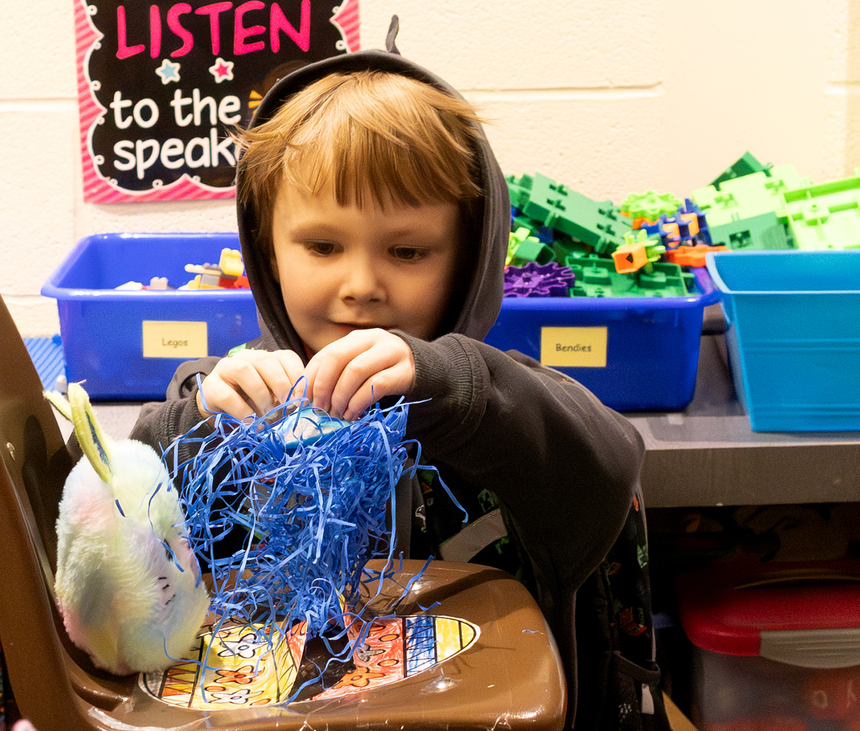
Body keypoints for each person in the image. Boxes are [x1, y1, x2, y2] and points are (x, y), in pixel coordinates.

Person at [129, 35, 668, 731]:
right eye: (322, 246)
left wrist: (456, 387)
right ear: (268, 247)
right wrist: (200, 422)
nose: (360, 286)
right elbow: (117, 517)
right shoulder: (229, 393)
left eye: (407, 251)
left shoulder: (496, 403)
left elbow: (606, 462)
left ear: (469, 254)